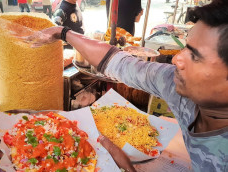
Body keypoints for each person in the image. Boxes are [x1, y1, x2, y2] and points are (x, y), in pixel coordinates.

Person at [20, 0, 228, 171]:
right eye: (184, 49)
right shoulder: (178, 89)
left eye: (195, 56)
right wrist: (63, 32)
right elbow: (118, 62)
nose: (176, 60)